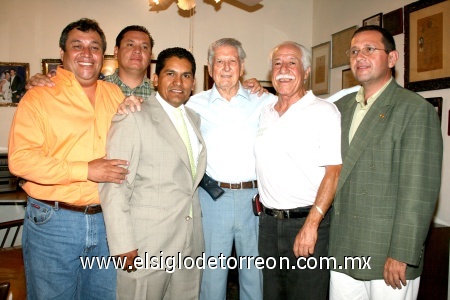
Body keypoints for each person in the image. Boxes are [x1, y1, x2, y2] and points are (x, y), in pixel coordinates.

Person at [8, 18, 130, 300]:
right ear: (62, 53)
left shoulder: (115, 93)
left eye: (94, 47)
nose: (87, 54)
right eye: (77, 46)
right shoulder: (39, 96)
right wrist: (86, 170)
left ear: (103, 55)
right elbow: (21, 161)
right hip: (55, 221)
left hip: (108, 221)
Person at [328, 25, 443, 300]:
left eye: (370, 49)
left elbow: (419, 191)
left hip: (387, 254)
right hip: (343, 247)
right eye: (354, 51)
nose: (360, 56)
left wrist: (402, 253)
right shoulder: (341, 107)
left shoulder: (415, 110)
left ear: (392, 59)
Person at [99, 47, 206, 300]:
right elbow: (115, 185)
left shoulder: (194, 119)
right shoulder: (133, 116)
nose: (179, 82)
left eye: (186, 75)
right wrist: (123, 243)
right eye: (170, 73)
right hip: (146, 244)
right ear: (155, 79)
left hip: (189, 243)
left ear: (193, 82)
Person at [254, 41, 342, 299]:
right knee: (272, 294)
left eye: (292, 62)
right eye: (277, 63)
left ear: (306, 71)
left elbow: (333, 172)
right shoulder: (265, 111)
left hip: (307, 222)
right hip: (268, 225)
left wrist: (311, 224)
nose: (284, 69)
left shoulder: (324, 112)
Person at [27, 25, 154, 102]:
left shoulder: (161, 94)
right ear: (116, 51)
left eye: (144, 47)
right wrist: (48, 80)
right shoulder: (95, 87)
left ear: (150, 56)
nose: (137, 51)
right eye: (130, 45)